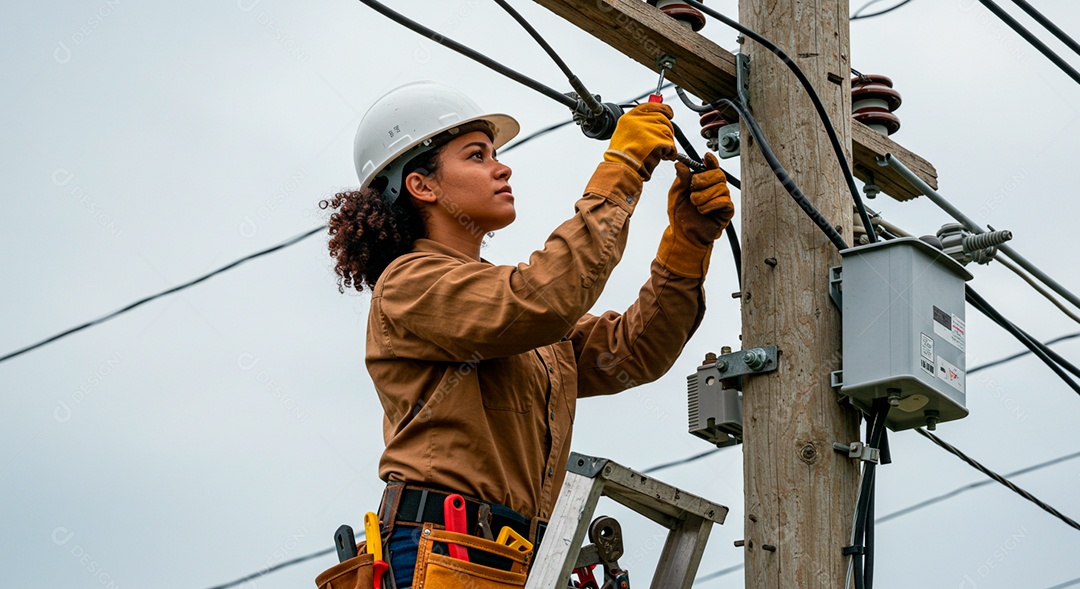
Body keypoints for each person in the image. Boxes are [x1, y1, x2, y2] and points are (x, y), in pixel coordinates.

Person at [319, 80, 733, 588]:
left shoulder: (506, 307)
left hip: (524, 558)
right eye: (477, 156)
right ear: (422, 185)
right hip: (443, 549)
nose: (503, 166)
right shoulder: (409, 285)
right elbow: (542, 298)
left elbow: (633, 351)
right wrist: (622, 167)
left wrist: (687, 242)